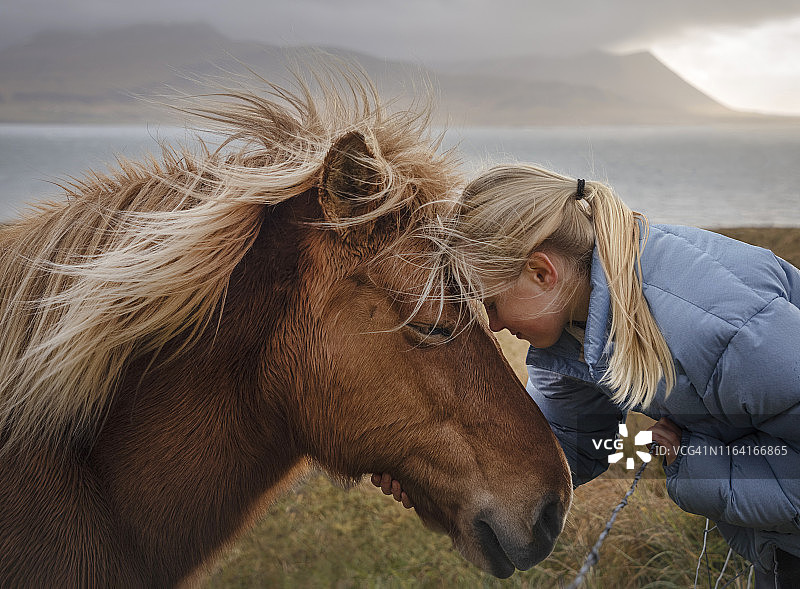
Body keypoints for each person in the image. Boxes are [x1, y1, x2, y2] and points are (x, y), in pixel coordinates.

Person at [373, 164, 800, 586]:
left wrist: (693, 461)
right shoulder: (579, 326)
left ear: (541, 273)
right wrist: (442, 477)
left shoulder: (721, 328)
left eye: (492, 305)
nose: (494, 326)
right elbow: (564, 440)